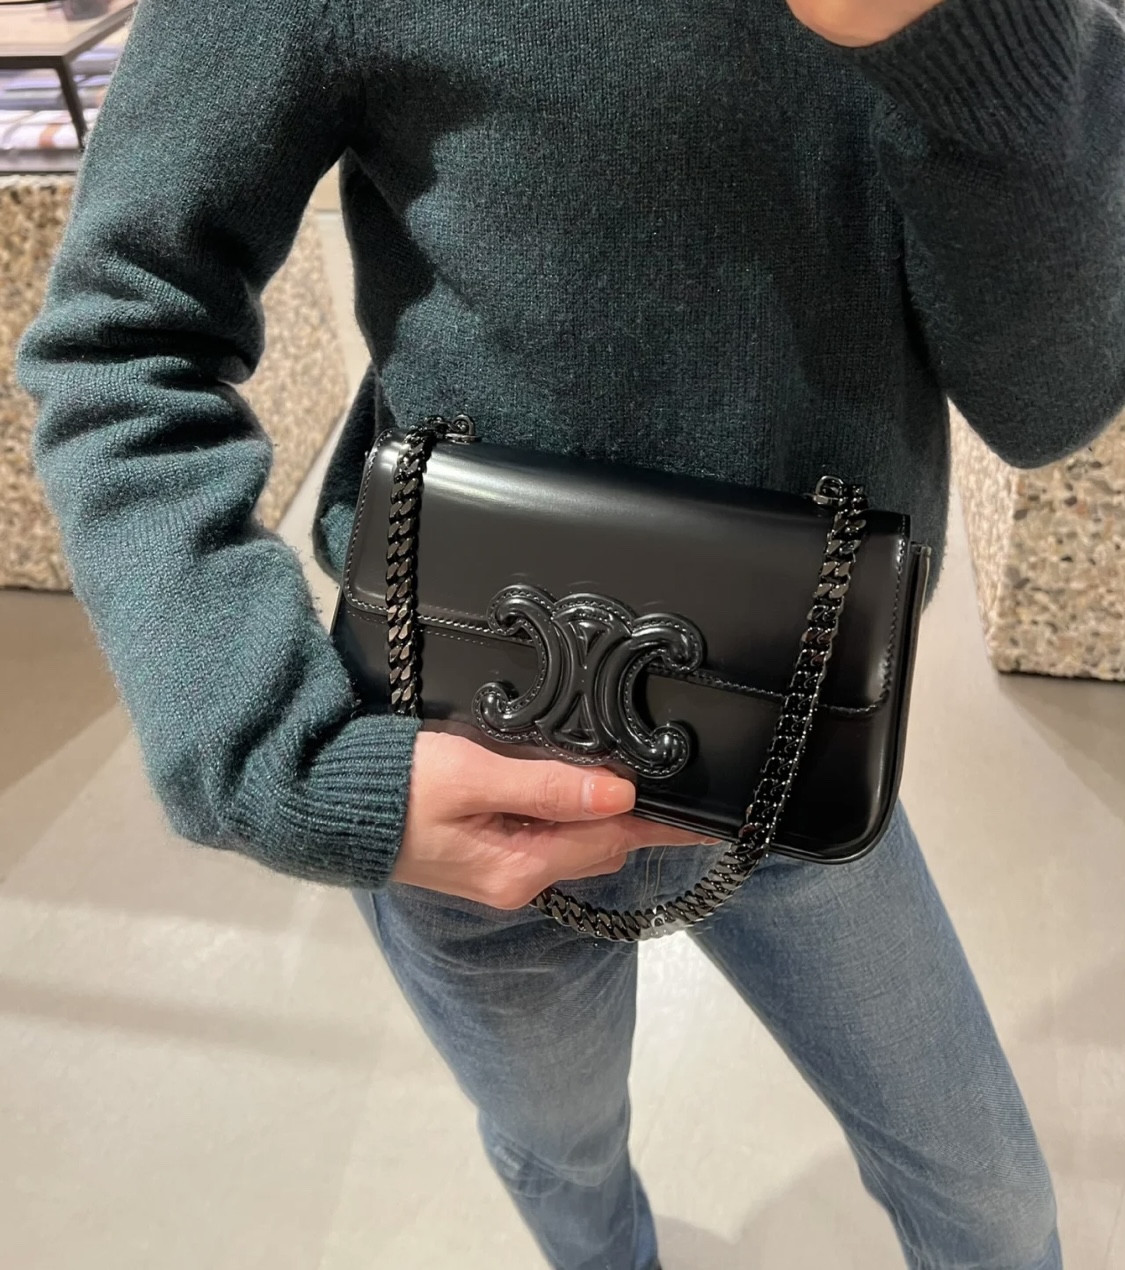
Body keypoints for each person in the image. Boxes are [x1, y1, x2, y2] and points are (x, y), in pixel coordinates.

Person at [16, 0, 1125, 1265]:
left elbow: (1049, 402)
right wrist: (272, 748)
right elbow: (122, 339)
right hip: (466, 752)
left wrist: (959, 33)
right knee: (564, 1160)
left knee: (992, 1205)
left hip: (796, 734)